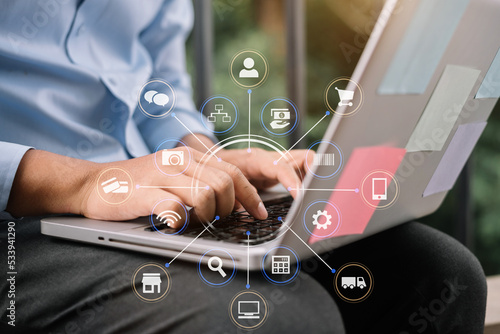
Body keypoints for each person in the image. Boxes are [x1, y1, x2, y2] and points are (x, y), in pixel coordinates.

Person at [0, 1, 487, 333]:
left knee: (439, 276)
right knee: (282, 319)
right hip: (19, 219)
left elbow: (155, 84)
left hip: (146, 199)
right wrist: (84, 183)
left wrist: (204, 163)